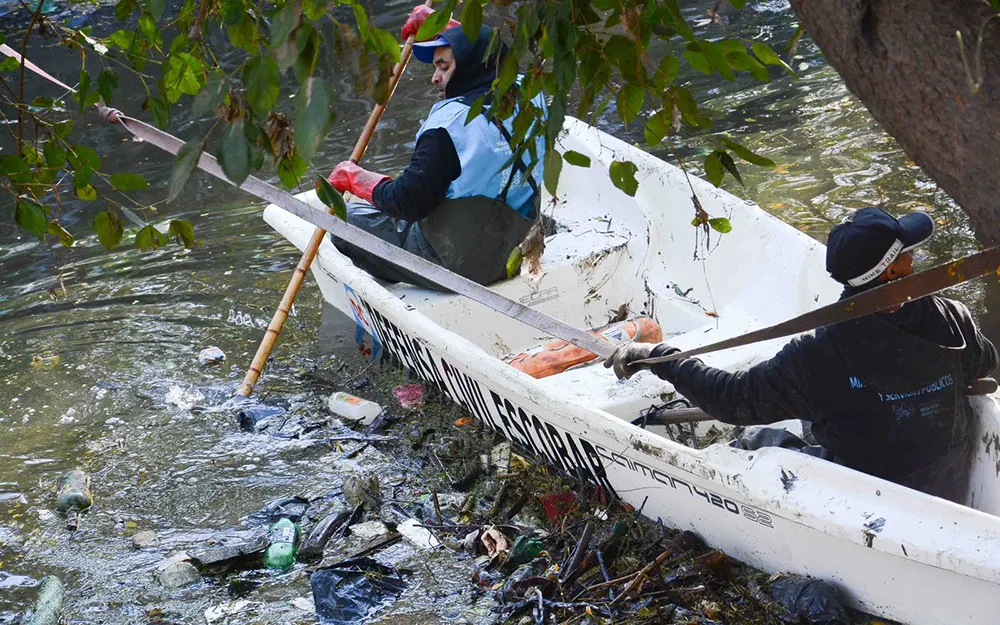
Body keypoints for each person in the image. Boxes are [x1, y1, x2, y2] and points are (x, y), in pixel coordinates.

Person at [604, 207, 998, 502]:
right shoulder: (953, 317)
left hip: (870, 488)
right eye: (908, 255)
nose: (916, 260)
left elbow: (732, 401)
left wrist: (664, 358)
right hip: (944, 477)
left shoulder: (819, 355)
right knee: (813, 419)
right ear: (892, 273)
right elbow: (985, 363)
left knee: (757, 438)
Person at [326, 6, 547, 288]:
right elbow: (496, 53)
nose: (435, 78)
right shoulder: (530, 92)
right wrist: (442, 25)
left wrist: (355, 178)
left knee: (348, 222)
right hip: (523, 246)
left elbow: (407, 201)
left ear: (468, 64)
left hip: (460, 264)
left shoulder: (447, 127)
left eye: (443, 67)